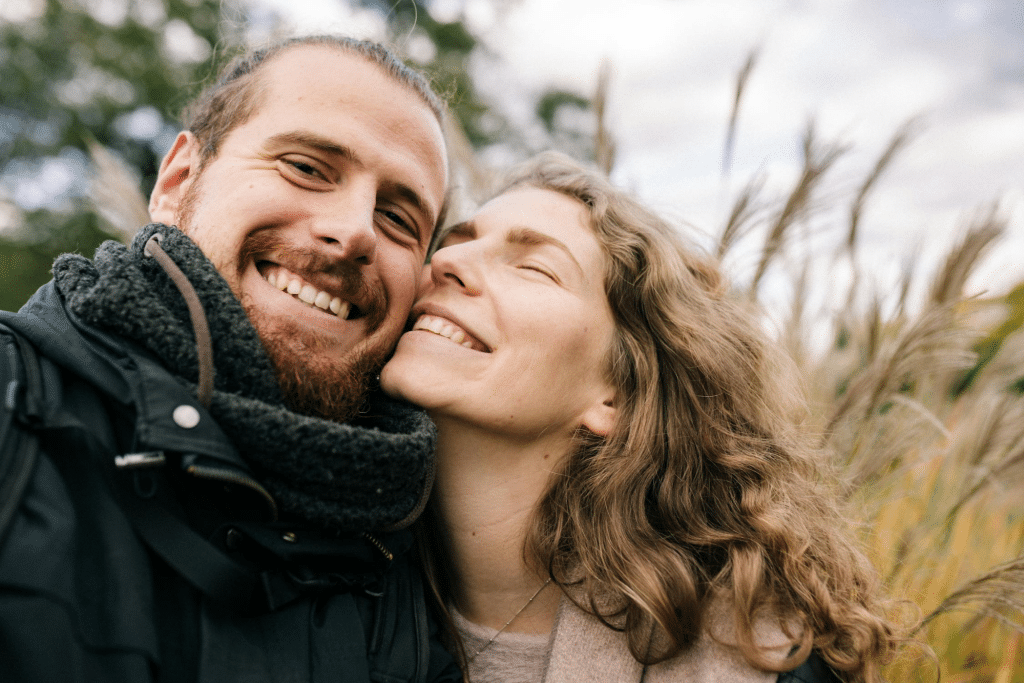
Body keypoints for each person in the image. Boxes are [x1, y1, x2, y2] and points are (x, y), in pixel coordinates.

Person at [0, 35, 461, 682]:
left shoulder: (418, 561)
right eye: (306, 166)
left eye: (398, 218)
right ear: (178, 179)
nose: (356, 229)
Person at [380, 152, 899, 682]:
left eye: (534, 267)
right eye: (454, 241)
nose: (447, 263)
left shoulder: (761, 662)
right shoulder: (332, 576)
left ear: (618, 397)